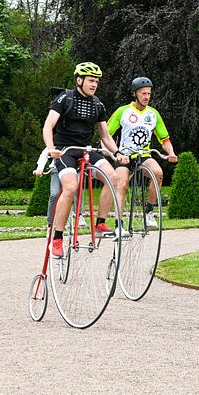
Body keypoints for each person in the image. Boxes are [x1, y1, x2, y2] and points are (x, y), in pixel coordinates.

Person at [42, 62, 128, 258]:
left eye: (96, 81)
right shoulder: (65, 98)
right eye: (90, 80)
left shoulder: (98, 104)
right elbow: (48, 127)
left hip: (87, 150)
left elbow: (105, 136)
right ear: (79, 80)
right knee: (71, 188)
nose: (94, 84)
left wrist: (117, 152)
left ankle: (100, 223)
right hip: (66, 151)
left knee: (113, 177)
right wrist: (51, 148)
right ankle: (57, 238)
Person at [107, 77, 178, 228]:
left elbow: (164, 139)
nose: (146, 97)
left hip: (144, 154)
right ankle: (118, 224)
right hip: (124, 155)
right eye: (143, 93)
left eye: (149, 93)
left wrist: (171, 152)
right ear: (135, 94)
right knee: (123, 184)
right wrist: (111, 151)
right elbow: (106, 134)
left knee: (158, 173)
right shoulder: (123, 111)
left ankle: (149, 212)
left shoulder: (153, 114)